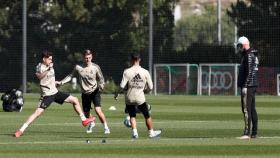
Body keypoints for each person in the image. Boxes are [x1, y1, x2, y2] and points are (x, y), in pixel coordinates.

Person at [14, 51, 95, 138]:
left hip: (55, 92)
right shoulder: (40, 66)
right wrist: (48, 68)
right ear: (44, 59)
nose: (51, 61)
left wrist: (57, 82)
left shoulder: (50, 66)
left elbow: (50, 78)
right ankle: (21, 130)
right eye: (49, 59)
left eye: (51, 59)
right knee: (38, 113)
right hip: (47, 95)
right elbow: (40, 77)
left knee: (75, 100)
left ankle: (84, 120)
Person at [58, 49, 110, 134]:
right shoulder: (78, 67)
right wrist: (61, 82)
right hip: (85, 93)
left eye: (89, 57)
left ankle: (106, 127)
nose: (88, 59)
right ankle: (92, 123)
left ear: (91, 57)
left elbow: (101, 79)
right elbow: (71, 76)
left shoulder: (95, 67)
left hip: (95, 91)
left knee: (98, 110)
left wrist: (102, 85)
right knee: (86, 114)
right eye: (86, 58)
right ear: (83, 58)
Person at [115, 53, 161, 139]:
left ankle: (135, 133)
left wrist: (117, 94)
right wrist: (145, 91)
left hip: (129, 98)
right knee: (147, 115)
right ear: (139, 60)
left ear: (131, 60)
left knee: (132, 115)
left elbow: (121, 86)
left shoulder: (127, 71)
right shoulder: (145, 72)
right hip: (140, 98)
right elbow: (151, 87)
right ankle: (151, 133)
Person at [236, 36, 259, 139]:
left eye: (240, 46)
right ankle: (254, 132)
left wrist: (245, 85)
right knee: (252, 109)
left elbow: (249, 72)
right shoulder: (251, 54)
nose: (239, 48)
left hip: (249, 86)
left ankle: (247, 132)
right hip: (252, 85)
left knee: (246, 109)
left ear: (244, 44)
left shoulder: (248, 55)